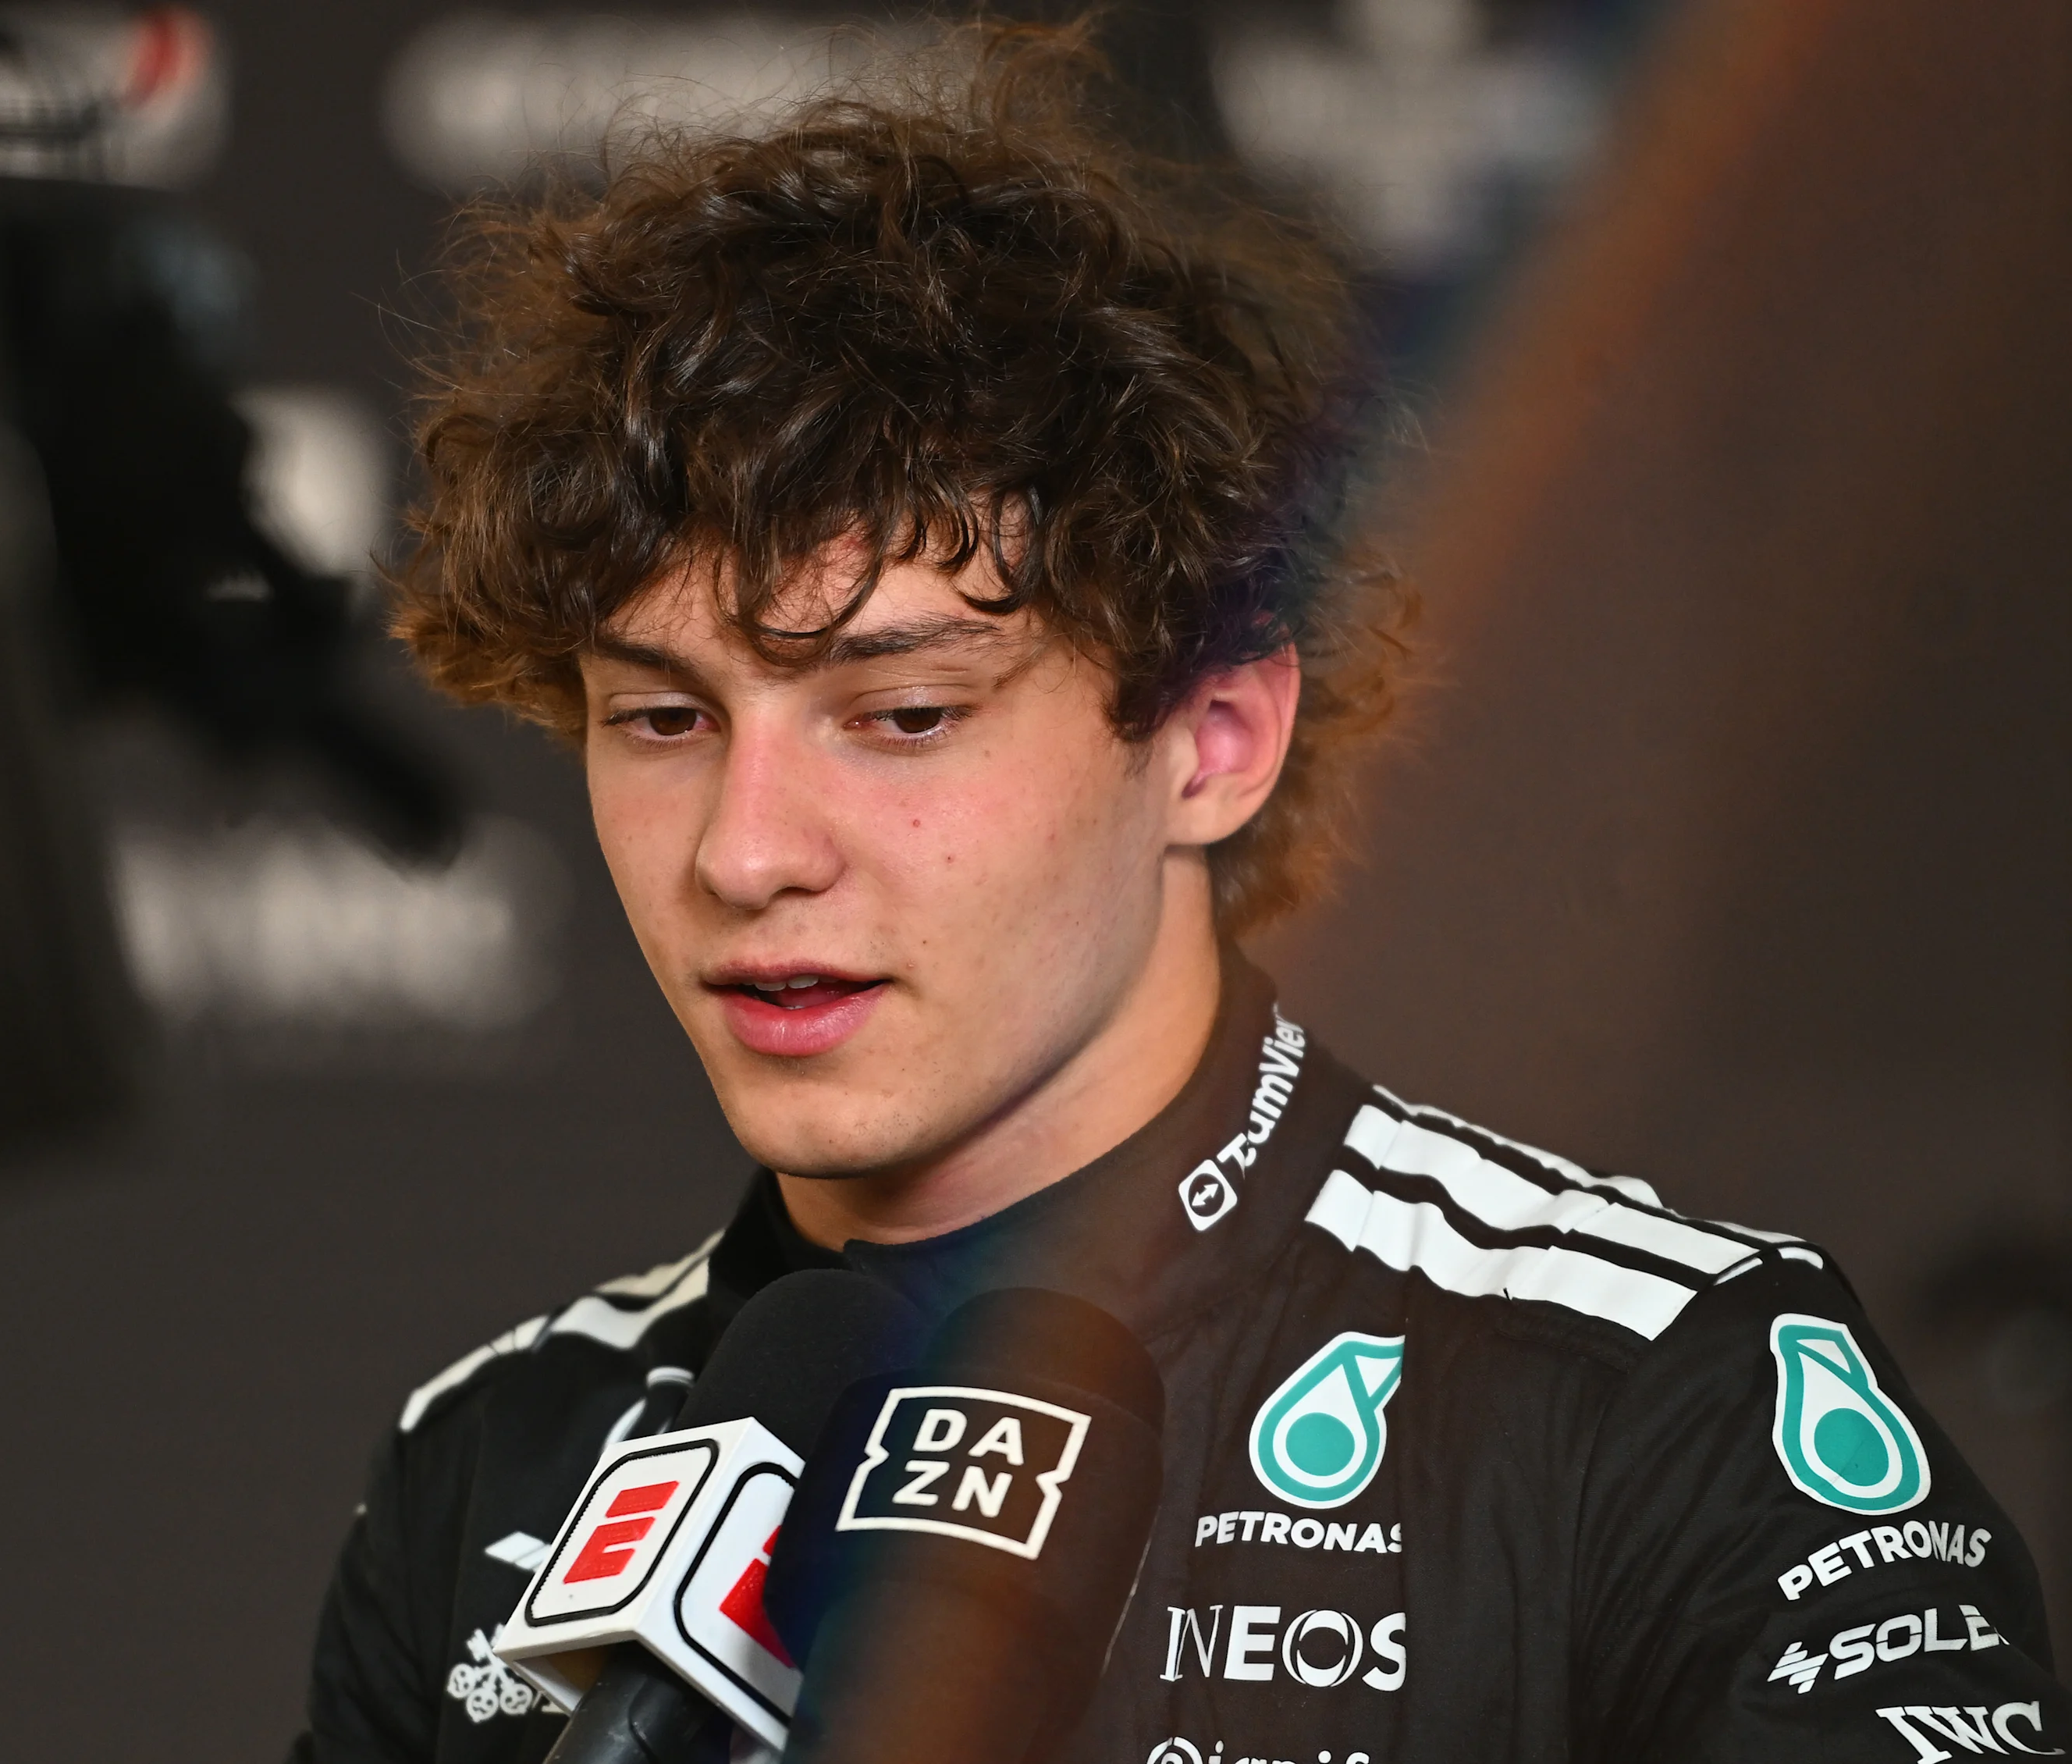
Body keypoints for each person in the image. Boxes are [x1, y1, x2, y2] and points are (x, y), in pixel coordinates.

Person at [296, 24, 2061, 1764]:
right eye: (664, 720)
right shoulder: (495, 1459)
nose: (747, 852)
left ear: (1214, 740)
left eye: (903, 715)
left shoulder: (1657, 1390)